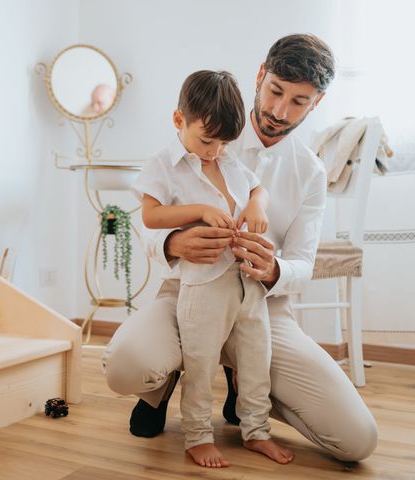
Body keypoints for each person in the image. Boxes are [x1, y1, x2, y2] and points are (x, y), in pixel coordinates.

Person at [102, 33, 378, 464]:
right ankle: (167, 379)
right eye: (274, 92)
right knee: (125, 366)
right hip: (188, 293)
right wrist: (175, 242)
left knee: (357, 440)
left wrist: (273, 270)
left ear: (317, 103)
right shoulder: (203, 128)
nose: (279, 111)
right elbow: (148, 220)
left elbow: (304, 263)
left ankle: (248, 396)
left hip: (262, 305)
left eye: (299, 102)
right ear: (260, 76)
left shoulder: (309, 171)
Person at [131, 70, 293, 468]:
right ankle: (197, 435)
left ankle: (256, 431)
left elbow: (259, 188)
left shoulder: (230, 159)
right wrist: (201, 211)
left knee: (256, 362)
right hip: (202, 284)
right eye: (206, 139)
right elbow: (151, 216)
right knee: (200, 364)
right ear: (178, 120)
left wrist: (256, 205)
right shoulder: (162, 165)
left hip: (248, 282)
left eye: (223, 141)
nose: (214, 150)